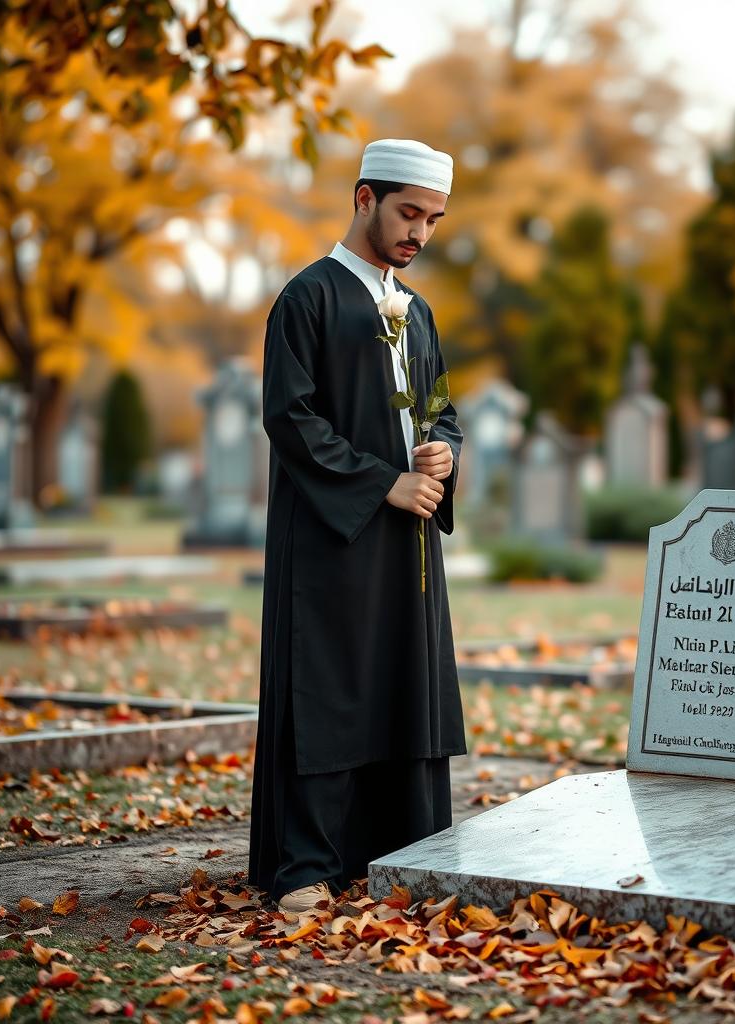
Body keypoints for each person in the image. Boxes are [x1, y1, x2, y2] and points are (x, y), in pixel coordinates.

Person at [247, 139, 466, 915]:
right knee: (332, 687)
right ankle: (307, 865)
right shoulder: (306, 300)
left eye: (434, 219)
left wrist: (443, 451)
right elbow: (290, 417)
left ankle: (401, 853)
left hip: (406, 543)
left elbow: (440, 405)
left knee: (403, 683)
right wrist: (385, 484)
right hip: (333, 543)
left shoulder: (420, 311)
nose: (421, 234)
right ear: (364, 198)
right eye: (410, 213)